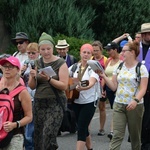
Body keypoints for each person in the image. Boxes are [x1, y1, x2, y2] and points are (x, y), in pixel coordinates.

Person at [97, 41, 148, 150]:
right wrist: (104, 77)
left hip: (135, 106)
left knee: (135, 137)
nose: (122, 53)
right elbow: (114, 86)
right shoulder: (119, 67)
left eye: (124, 51)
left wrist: (135, 101)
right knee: (117, 135)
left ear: (132, 52)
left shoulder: (141, 68)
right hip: (119, 104)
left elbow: (143, 89)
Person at [28, 32, 69, 150]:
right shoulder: (37, 62)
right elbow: (32, 86)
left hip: (55, 102)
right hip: (39, 102)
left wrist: (49, 79)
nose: (46, 52)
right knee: (38, 136)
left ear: (53, 48)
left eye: (48, 48)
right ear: (39, 50)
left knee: (48, 135)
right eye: (43, 49)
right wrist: (32, 76)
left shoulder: (60, 63)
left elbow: (64, 86)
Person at [69, 43, 100, 150]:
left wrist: (81, 87)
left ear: (91, 55)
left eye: (88, 53)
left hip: (90, 102)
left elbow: (91, 83)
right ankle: (90, 149)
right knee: (83, 127)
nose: (86, 55)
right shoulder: (74, 67)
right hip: (76, 101)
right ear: (80, 53)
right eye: (84, 52)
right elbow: (65, 78)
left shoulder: (94, 67)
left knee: (81, 128)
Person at [0, 56, 32, 150]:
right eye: (5, 66)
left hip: (15, 134)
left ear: (18, 69)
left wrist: (14, 124)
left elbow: (29, 117)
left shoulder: (22, 92)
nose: (7, 69)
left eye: (11, 67)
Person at [21, 43, 40, 150]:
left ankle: (31, 146)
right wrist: (22, 71)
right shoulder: (24, 63)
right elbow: (17, 78)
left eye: (33, 53)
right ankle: (29, 145)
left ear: (38, 53)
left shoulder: (41, 63)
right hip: (26, 96)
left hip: (37, 96)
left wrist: (36, 73)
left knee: (31, 125)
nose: (31, 55)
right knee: (28, 124)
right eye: (29, 53)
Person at [104, 42, 123, 140]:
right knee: (114, 109)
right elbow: (105, 75)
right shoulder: (109, 61)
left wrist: (124, 37)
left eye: (109, 50)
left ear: (115, 50)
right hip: (109, 88)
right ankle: (116, 129)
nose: (108, 52)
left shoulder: (122, 60)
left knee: (116, 109)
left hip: (119, 88)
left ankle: (113, 131)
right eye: (107, 50)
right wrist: (103, 89)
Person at [137, 23, 150, 150]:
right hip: (137, 87)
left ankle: (146, 142)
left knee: (148, 116)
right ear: (143, 35)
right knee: (138, 115)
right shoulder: (136, 48)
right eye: (147, 33)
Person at [92, 41, 107, 136]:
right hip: (92, 84)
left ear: (101, 50)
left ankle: (101, 128)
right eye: (93, 50)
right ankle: (87, 127)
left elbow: (106, 74)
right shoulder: (90, 59)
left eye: (97, 50)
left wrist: (102, 88)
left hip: (102, 84)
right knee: (90, 106)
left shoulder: (105, 60)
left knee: (102, 107)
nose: (95, 52)